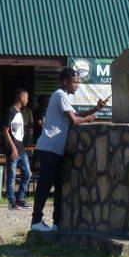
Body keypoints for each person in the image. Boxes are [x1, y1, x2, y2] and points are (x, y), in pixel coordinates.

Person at [30, 68, 107, 231]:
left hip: (55, 150)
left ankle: (57, 223)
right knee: (45, 184)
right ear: (66, 82)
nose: (77, 86)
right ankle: (36, 221)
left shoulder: (63, 97)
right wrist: (88, 119)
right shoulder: (59, 94)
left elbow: (75, 115)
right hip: (49, 147)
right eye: (75, 82)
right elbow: (74, 120)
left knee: (58, 186)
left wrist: (96, 109)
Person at [3, 88, 32, 210]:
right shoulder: (10, 111)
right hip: (13, 149)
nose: (27, 100)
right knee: (12, 176)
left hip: (22, 149)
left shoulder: (20, 112)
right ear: (20, 98)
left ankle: (20, 199)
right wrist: (13, 148)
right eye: (26, 98)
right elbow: (5, 131)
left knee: (27, 173)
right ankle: (12, 202)